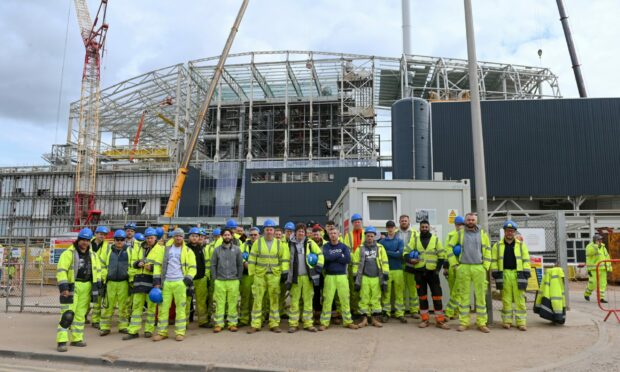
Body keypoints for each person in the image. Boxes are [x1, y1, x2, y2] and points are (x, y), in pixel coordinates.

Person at [56, 228, 103, 352]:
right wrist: (64, 287)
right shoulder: (68, 253)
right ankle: (62, 341)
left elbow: (98, 271)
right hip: (72, 286)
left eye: (87, 240)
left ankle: (77, 339)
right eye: (82, 239)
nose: (84, 242)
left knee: (80, 315)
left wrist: (98, 286)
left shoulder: (93, 255)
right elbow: (62, 271)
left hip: (86, 286)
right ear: (78, 239)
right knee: (67, 315)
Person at [447, 213, 492, 333]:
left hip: (479, 268)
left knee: (480, 297)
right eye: (468, 219)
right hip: (464, 268)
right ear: (465, 221)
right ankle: (464, 323)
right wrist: (455, 265)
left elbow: (488, 250)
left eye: (473, 220)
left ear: (476, 221)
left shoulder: (483, 234)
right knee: (464, 296)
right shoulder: (460, 234)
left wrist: (485, 266)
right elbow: (449, 248)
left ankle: (481, 323)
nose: (470, 221)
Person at [152, 228, 197, 341]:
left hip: (180, 283)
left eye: (180, 236)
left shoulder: (187, 251)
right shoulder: (165, 250)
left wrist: (186, 281)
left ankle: (180, 332)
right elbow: (157, 265)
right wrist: (157, 281)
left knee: (181, 309)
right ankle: (162, 332)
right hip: (166, 283)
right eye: (176, 236)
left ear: (183, 237)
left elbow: (193, 268)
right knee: (163, 309)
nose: (178, 238)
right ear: (173, 237)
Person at [247, 219, 290, 334]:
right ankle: (256, 324)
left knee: (274, 300)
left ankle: (274, 324)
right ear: (264, 231)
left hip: (274, 275)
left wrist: (284, 272)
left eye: (271, 229)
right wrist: (252, 274)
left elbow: (284, 259)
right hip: (260, 275)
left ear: (274, 230)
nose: (269, 231)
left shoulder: (279, 244)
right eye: (267, 229)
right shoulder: (258, 243)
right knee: (258, 299)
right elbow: (252, 258)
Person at [404, 220, 449, 330]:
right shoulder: (414, 240)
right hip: (419, 273)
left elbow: (442, 256)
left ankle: (440, 321)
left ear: (429, 228)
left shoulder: (435, 240)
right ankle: (424, 319)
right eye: (422, 227)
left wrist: (437, 270)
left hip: (432, 273)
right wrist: (410, 260)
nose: (424, 228)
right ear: (419, 228)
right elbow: (405, 253)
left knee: (437, 296)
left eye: (426, 227)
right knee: (422, 297)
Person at [491, 220, 531, 331]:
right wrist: (495, 271)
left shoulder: (521, 245)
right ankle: (507, 321)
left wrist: (526, 271)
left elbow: (526, 259)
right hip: (504, 274)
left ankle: (521, 322)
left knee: (520, 299)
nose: (509, 233)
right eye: (508, 231)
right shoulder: (497, 246)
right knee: (506, 299)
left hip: (518, 274)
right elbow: (494, 260)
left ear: (514, 232)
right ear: (504, 231)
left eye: (512, 231)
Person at [285, 223, 324, 333]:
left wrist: (318, 268)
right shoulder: (289, 244)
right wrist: (286, 274)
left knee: (308, 301)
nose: (301, 233)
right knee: (294, 301)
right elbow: (285, 259)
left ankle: (308, 324)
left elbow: (320, 255)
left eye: (303, 231)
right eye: (299, 231)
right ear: (295, 232)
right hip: (295, 277)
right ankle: (293, 324)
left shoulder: (310, 243)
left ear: (305, 233)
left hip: (307, 277)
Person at [319, 228, 358, 331]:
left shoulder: (344, 247)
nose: (333, 235)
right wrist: (339, 255)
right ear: (329, 235)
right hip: (329, 276)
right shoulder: (325, 247)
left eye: (335, 233)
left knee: (345, 299)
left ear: (338, 234)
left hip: (342, 276)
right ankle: (324, 322)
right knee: (327, 299)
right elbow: (326, 258)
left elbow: (347, 259)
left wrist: (333, 257)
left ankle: (348, 321)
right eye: (331, 233)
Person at [124, 227, 159, 340]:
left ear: (155, 238)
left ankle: (149, 330)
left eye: (151, 238)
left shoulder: (160, 249)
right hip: (139, 280)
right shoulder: (139, 248)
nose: (149, 240)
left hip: (152, 280)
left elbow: (162, 265)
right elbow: (132, 262)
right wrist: (137, 263)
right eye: (147, 238)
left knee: (151, 307)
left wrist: (152, 267)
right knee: (136, 307)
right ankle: (133, 331)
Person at [352, 226, 389, 328]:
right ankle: (364, 319)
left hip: (377, 277)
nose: (369, 238)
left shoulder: (380, 248)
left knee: (376, 298)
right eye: (368, 236)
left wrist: (385, 273)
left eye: (371, 236)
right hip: (364, 277)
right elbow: (355, 263)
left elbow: (385, 261)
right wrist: (355, 276)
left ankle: (375, 319)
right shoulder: (360, 248)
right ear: (365, 236)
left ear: (374, 237)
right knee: (364, 297)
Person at [211, 229, 244, 333]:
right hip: (220, 280)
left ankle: (232, 324)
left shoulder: (237, 250)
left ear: (232, 236)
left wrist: (238, 278)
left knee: (233, 303)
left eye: (229, 235)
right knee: (219, 303)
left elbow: (240, 265)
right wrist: (215, 278)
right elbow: (213, 265)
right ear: (222, 236)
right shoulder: (217, 250)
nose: (227, 237)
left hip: (233, 280)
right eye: (225, 235)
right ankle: (218, 324)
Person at [99, 230, 130, 336]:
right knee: (108, 306)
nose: (119, 242)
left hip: (124, 283)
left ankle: (123, 327)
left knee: (124, 306)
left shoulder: (129, 251)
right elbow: (102, 265)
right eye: (117, 239)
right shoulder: (108, 251)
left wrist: (129, 278)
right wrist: (105, 277)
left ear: (125, 240)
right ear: (114, 240)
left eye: (122, 240)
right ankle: (105, 327)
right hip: (110, 283)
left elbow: (131, 266)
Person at [379, 220, 406, 323]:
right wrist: (394, 252)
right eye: (388, 227)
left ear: (395, 228)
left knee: (399, 293)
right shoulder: (382, 242)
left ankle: (400, 313)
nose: (390, 229)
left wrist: (387, 252)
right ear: (386, 228)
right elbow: (381, 256)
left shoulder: (399, 241)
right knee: (386, 293)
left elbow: (399, 254)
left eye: (392, 227)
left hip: (398, 270)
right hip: (386, 270)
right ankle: (386, 313)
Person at [395, 214, 420, 319]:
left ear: (409, 222)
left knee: (412, 288)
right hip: (399, 263)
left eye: (405, 220)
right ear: (399, 222)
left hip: (411, 263)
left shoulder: (415, 233)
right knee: (400, 289)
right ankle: (401, 312)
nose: (404, 222)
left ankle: (414, 311)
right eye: (402, 221)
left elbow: (418, 247)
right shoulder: (395, 233)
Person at [185, 227, 210, 328]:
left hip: (201, 278)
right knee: (186, 302)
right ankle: (184, 322)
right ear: (189, 237)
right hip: (189, 279)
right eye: (192, 236)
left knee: (201, 301)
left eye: (196, 236)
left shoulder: (201, 248)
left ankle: (203, 321)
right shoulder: (185, 248)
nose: (194, 238)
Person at [343, 213, 365, 317]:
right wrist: (355, 258)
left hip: (364, 264)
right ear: (352, 223)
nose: (357, 223)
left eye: (358, 221)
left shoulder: (366, 233)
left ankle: (363, 309)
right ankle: (354, 309)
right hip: (352, 265)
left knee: (364, 287)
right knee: (353, 288)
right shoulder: (348, 235)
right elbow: (347, 250)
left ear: (361, 222)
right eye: (355, 222)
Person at [444, 216, 465, 319]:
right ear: (455, 225)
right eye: (458, 224)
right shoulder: (450, 235)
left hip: (463, 265)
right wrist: (445, 267)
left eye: (461, 224)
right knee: (453, 289)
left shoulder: (466, 236)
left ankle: (455, 311)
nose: (459, 226)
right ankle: (455, 312)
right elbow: (446, 251)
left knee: (459, 290)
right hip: (452, 265)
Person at [90, 225, 109, 329]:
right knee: (85, 299)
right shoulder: (88, 243)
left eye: (104, 235)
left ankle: (95, 320)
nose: (102, 236)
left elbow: (107, 263)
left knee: (97, 299)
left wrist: (103, 277)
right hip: (88, 274)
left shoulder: (107, 246)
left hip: (100, 276)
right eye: (101, 234)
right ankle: (82, 316)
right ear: (96, 234)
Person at [239, 227, 260, 326]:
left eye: (255, 235)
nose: (253, 236)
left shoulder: (262, 245)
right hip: (246, 275)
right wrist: (244, 262)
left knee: (256, 298)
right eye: (251, 235)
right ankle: (244, 319)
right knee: (245, 297)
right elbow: (241, 256)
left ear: (259, 235)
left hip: (258, 275)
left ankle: (255, 319)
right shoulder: (243, 245)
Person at [584, 234, 613, 303]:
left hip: (603, 269)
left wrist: (609, 267)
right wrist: (597, 246)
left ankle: (601, 298)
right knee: (593, 283)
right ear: (595, 240)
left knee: (603, 283)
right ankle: (587, 294)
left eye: (601, 239)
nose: (600, 241)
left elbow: (607, 257)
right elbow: (590, 253)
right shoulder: (590, 246)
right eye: (598, 239)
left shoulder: (603, 247)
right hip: (593, 269)